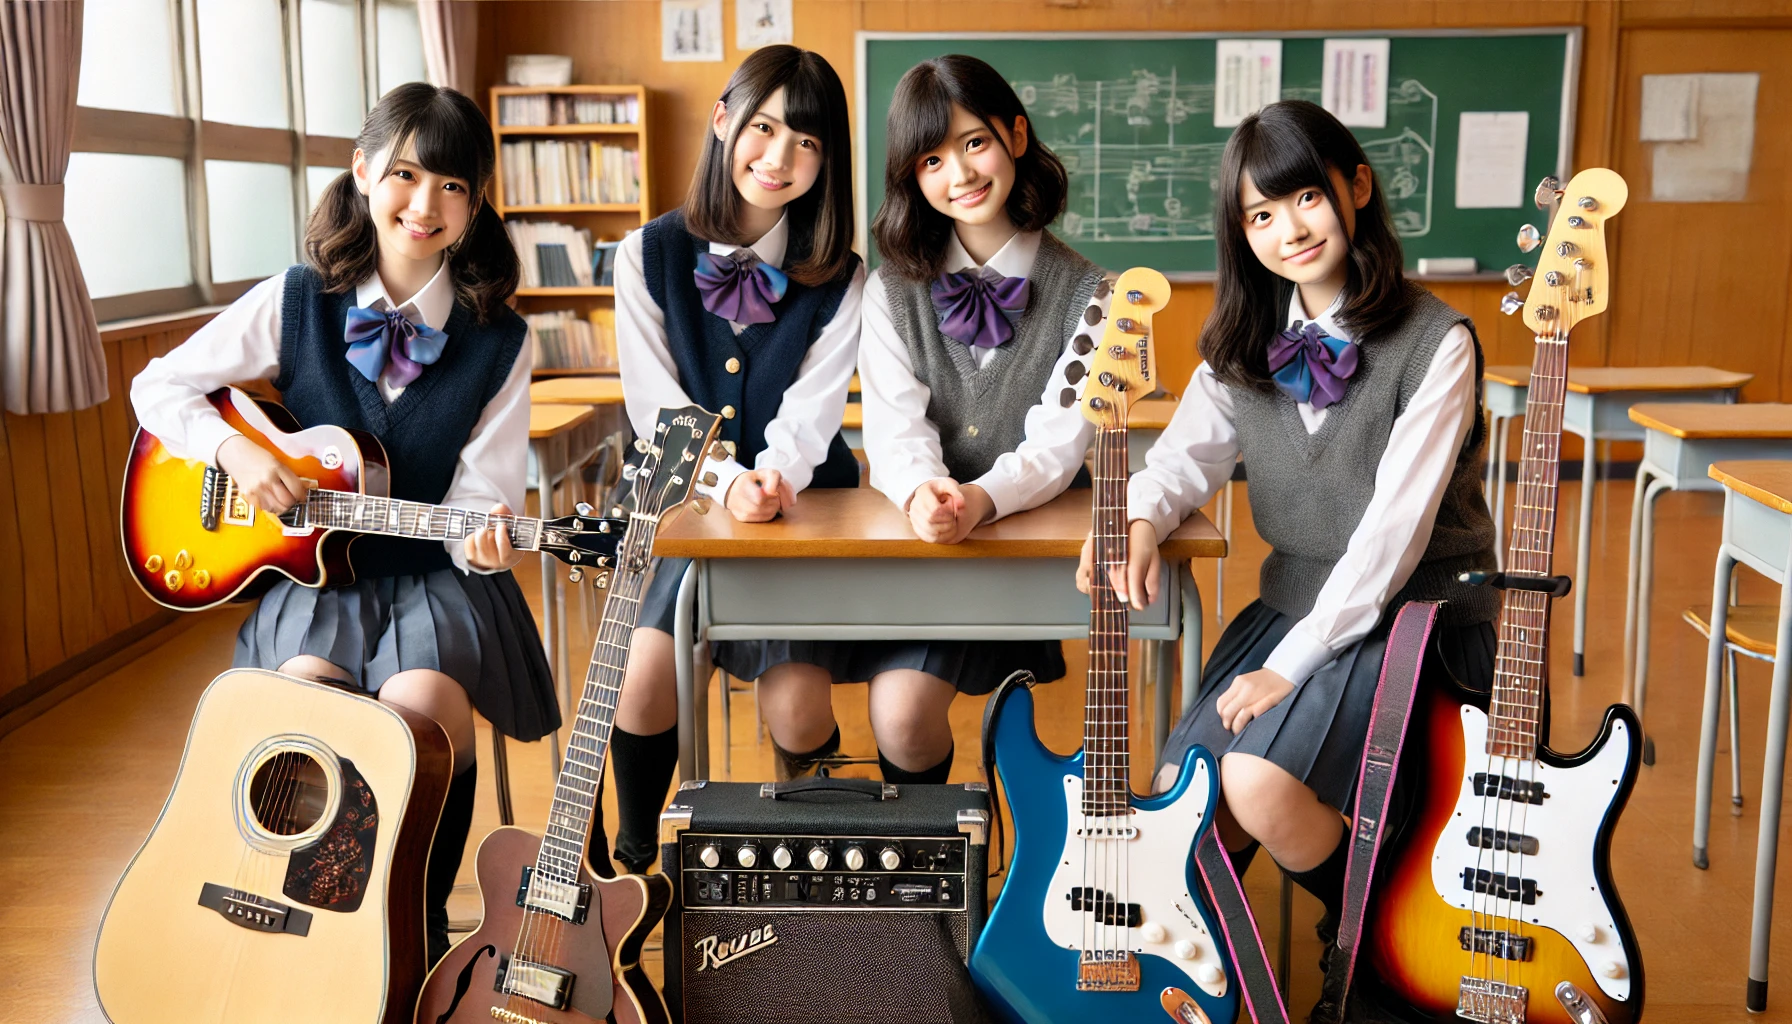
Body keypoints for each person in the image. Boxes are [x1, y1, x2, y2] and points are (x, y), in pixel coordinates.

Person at [1080, 99, 1497, 1012]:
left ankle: (1382, 947)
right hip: (1292, 602)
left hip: (1410, 617)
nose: (1286, 230)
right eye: (1259, 216)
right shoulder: (1243, 346)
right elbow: (1180, 460)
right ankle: (1237, 974)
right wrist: (1140, 518)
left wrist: (1290, 666)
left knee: (1259, 784)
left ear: (1355, 188)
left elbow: (1393, 539)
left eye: (1303, 197)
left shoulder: (1436, 343)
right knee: (1180, 799)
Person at [130, 83, 546, 965]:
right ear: (361, 173)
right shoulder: (297, 299)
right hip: (314, 577)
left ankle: (413, 928)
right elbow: (157, 386)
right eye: (403, 174)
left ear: (476, 204)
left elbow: (484, 495)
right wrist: (234, 453)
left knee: (419, 709)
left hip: (436, 578)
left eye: (453, 186)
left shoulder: (502, 340)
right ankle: (315, 931)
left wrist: (485, 536)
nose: (423, 204)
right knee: (308, 694)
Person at [797, 53, 1112, 789]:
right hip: (920, 538)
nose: (959, 174)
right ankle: (922, 883)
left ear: (1016, 136)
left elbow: (1059, 443)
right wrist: (923, 493)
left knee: (904, 713)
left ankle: (948, 883)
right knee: (896, 714)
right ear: (911, 177)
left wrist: (980, 499)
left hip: (1023, 545)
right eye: (931, 159)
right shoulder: (889, 289)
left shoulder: (1095, 293)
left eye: (975, 143)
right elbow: (893, 426)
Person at [601, 44, 863, 875]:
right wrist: (723, 479)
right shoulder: (645, 254)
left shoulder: (844, 275)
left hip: (799, 497)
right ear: (724, 123)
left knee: (795, 701)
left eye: (808, 142)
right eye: (762, 127)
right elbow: (656, 405)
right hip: (676, 492)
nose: (779, 157)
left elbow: (816, 407)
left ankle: (829, 861)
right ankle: (635, 856)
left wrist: (772, 478)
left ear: (828, 162)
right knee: (643, 674)